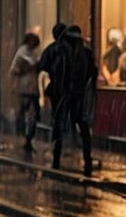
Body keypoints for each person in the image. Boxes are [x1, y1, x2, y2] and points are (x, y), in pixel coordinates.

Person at [41, 25, 97, 174]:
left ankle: (56, 160)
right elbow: (92, 74)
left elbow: (43, 69)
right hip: (78, 96)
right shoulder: (85, 53)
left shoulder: (55, 50)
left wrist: (50, 91)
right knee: (82, 127)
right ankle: (87, 160)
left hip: (62, 95)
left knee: (59, 125)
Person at [10, 32, 42, 151]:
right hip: (23, 87)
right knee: (23, 112)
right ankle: (24, 137)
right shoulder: (22, 52)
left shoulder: (36, 52)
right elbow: (15, 69)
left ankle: (29, 138)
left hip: (33, 87)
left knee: (33, 114)